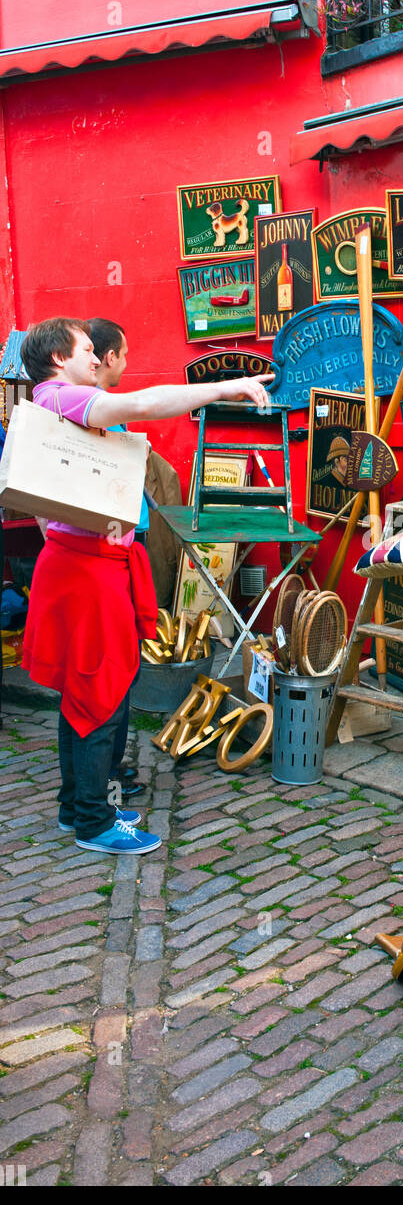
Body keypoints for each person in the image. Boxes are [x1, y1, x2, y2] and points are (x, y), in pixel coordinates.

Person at [20, 316, 272, 857]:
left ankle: (78, 806)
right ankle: (93, 820)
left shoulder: (49, 403)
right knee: (99, 692)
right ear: (60, 359)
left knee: (81, 692)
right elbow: (141, 404)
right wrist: (226, 386)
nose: (97, 357)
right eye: (87, 349)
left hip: (82, 564)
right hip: (88, 571)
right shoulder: (63, 397)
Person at [87, 317, 151, 810]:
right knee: (111, 667)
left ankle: (109, 766)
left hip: (125, 543)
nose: (125, 363)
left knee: (122, 664)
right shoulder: (98, 410)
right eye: (123, 354)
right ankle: (103, 775)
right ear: (106, 357)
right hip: (110, 551)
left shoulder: (108, 410)